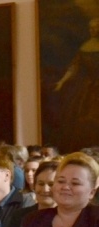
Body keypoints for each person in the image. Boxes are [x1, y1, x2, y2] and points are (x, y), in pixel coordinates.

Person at [52, 18, 99, 153]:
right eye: (91, 28)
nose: (93, 30)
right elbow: (74, 67)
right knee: (80, 118)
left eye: (96, 27)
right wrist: (62, 81)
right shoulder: (85, 47)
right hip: (90, 87)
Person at [0, 160, 58, 227]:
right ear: (34, 186)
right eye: (40, 184)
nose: (45, 189)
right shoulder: (20, 216)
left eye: (51, 184)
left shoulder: (68, 218)